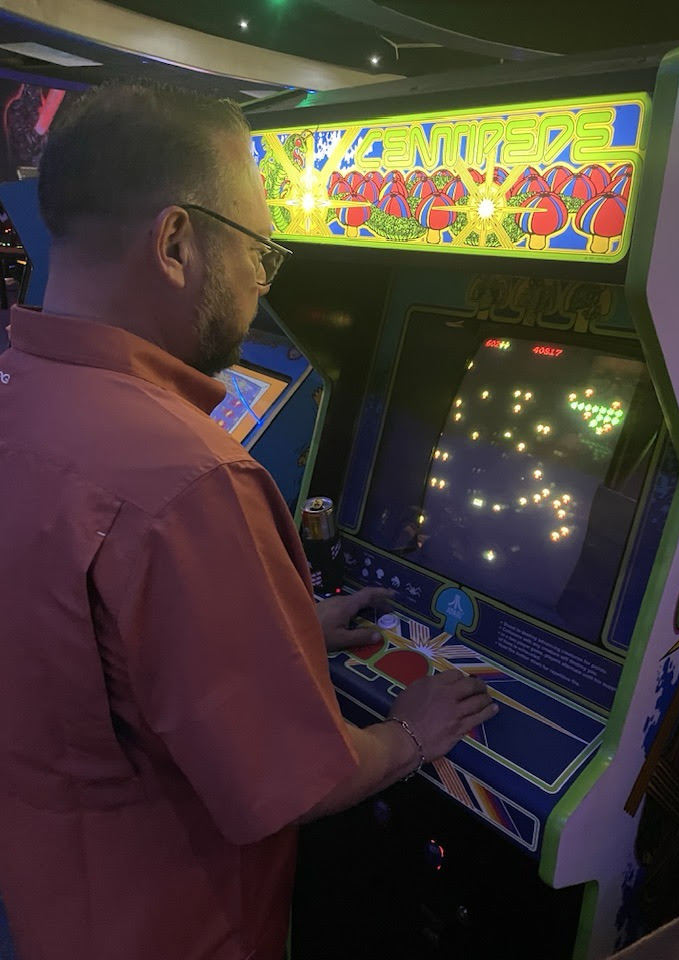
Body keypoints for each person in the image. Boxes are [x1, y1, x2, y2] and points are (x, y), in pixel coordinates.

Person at [0, 84, 498, 960]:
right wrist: (410, 729)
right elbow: (297, 780)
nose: (261, 282)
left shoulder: (22, 394)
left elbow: (90, 653)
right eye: (259, 250)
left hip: (53, 899)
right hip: (177, 926)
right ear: (177, 241)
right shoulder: (188, 478)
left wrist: (279, 632)